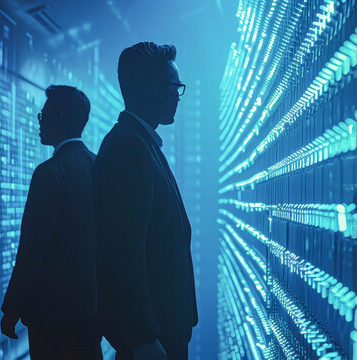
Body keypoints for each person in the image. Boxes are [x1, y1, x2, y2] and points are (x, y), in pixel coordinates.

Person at [93, 42, 198, 360]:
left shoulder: (138, 142)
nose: (178, 97)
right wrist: (143, 337)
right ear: (156, 90)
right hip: (153, 340)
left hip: (162, 332)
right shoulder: (129, 148)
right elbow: (123, 253)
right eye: (175, 87)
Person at [0, 85, 102, 359]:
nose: (39, 120)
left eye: (43, 114)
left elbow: (32, 249)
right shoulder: (98, 166)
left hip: (53, 318)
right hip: (93, 312)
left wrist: (12, 308)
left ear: (59, 118)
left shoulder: (49, 173)